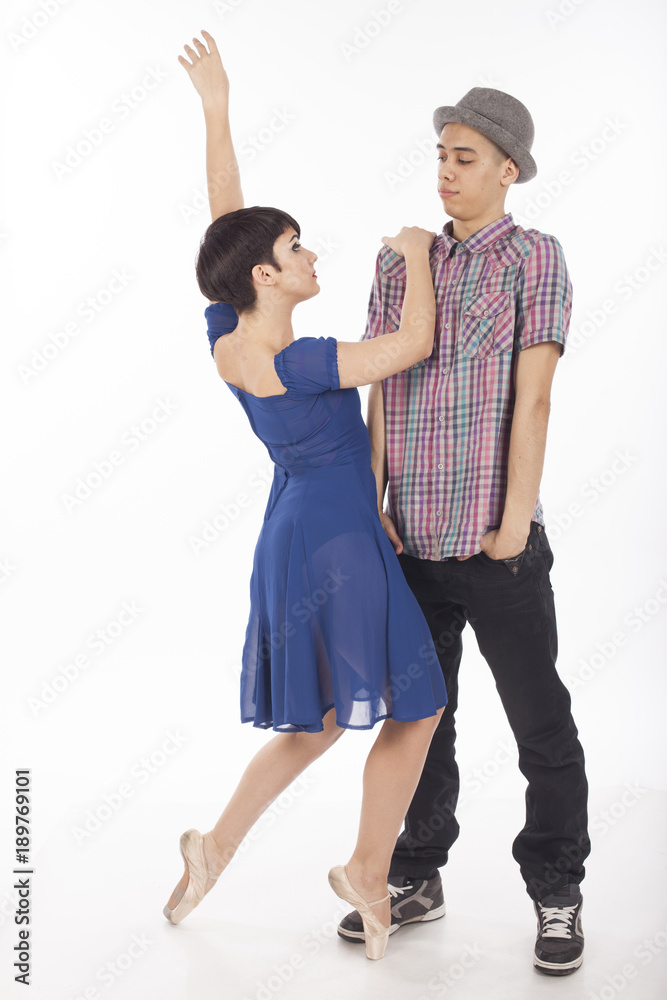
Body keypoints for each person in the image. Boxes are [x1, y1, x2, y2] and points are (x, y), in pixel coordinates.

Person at [163, 31, 448, 962]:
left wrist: (215, 108)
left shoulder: (230, 340)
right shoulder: (308, 359)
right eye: (294, 248)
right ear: (267, 277)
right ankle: (368, 869)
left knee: (320, 719)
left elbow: (227, 222)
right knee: (417, 703)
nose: (307, 252)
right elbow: (411, 345)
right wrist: (414, 254)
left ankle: (216, 847)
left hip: (291, 534)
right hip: (339, 538)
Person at [335, 87, 591, 976]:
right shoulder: (401, 260)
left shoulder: (534, 257)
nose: (445, 170)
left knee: (539, 723)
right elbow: (378, 382)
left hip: (496, 545)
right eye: (440, 154)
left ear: (508, 169)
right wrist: (371, 501)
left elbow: (535, 395)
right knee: (420, 720)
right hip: (410, 541)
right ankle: (415, 873)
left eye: (465, 157)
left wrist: (514, 523)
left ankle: (556, 889)